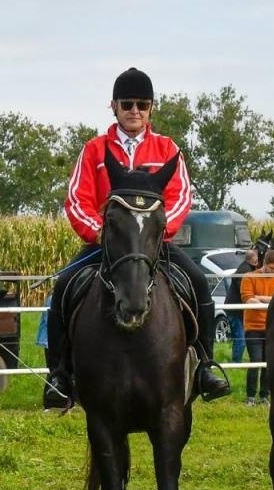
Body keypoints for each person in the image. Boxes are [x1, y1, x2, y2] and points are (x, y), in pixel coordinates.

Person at [42, 67, 232, 410]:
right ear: (113, 106)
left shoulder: (167, 148)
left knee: (199, 282)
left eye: (142, 104)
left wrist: (159, 234)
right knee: (64, 284)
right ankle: (59, 375)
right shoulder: (95, 150)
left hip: (155, 247)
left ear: (151, 108)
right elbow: (76, 199)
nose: (135, 110)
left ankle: (205, 366)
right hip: (105, 246)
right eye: (127, 103)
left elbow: (180, 197)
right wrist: (98, 233)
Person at [240, 248, 274, 405]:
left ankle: (264, 396)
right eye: (271, 268)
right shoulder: (249, 277)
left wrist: (260, 298)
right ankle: (250, 396)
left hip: (273, 326)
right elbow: (248, 300)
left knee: (269, 361)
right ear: (264, 263)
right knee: (256, 360)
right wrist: (271, 300)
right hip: (253, 326)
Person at [226, 247, 257, 363]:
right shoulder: (245, 271)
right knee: (240, 338)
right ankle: (236, 363)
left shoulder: (245, 268)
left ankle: (237, 360)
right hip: (235, 310)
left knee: (239, 337)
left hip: (235, 309)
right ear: (254, 260)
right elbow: (244, 290)